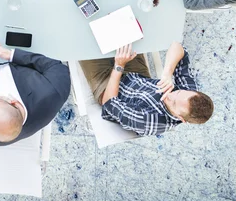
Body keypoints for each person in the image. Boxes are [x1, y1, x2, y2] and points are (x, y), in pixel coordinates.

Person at [80, 42, 213, 136]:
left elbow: (109, 104)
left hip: (108, 87)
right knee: (124, 29)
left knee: (84, 42)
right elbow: (178, 47)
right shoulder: (188, 96)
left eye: (173, 103)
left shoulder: (148, 121)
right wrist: (167, 73)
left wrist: (119, 65)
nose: (169, 95)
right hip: (137, 74)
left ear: (181, 119)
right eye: (177, 92)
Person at [0, 42, 70, 147]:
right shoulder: (54, 92)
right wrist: (12, 55)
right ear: (13, 102)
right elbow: (55, 66)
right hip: (27, 52)